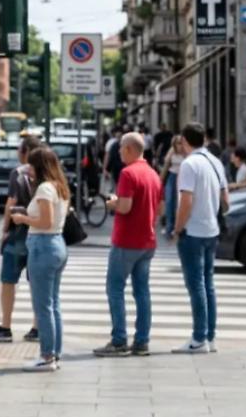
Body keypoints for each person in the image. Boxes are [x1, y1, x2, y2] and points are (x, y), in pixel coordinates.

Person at [94, 133, 162, 357]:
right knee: (142, 291)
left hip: (126, 241)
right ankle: (142, 341)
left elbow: (124, 207)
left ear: (131, 149)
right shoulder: (153, 174)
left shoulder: (128, 173)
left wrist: (112, 203)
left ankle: (119, 340)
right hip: (147, 241)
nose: (119, 152)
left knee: (114, 288)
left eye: (122, 148)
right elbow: (159, 209)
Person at [172, 122, 230, 354]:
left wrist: (177, 228)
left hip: (193, 231)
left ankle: (198, 339)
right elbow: (226, 200)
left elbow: (186, 201)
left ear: (185, 141)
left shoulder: (189, 164)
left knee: (196, 285)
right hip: (211, 230)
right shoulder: (215, 162)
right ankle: (210, 336)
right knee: (208, 285)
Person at [11, 147, 71, 372]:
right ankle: (54, 353)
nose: (29, 169)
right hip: (56, 244)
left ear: (39, 166)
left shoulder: (45, 189)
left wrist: (22, 218)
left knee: (43, 305)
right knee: (53, 304)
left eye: (32, 165)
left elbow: (45, 221)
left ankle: (47, 356)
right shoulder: (59, 186)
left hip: (44, 245)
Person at [0, 135, 40, 344]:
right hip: (39, 233)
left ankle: (6, 327)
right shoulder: (46, 174)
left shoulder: (18, 172)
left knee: (8, 281)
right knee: (36, 283)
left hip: (18, 234)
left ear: (25, 152)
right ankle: (37, 327)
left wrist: (5, 229)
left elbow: (10, 203)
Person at [160, 135, 188, 238]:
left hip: (183, 179)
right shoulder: (172, 152)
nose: (180, 145)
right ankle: (169, 228)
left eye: (181, 143)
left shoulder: (186, 153)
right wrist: (159, 181)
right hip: (172, 178)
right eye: (178, 143)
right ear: (174, 144)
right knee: (169, 202)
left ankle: (178, 228)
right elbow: (166, 166)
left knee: (178, 204)